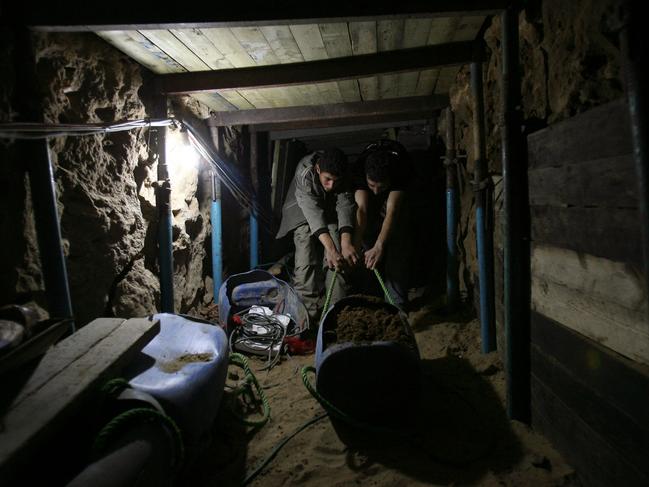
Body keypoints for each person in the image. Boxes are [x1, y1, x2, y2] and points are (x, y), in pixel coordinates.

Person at [276, 148, 359, 322]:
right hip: (300, 209)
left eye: (336, 181)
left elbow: (345, 205)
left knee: (338, 250)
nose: (331, 186)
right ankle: (305, 317)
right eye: (327, 179)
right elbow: (312, 211)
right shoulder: (305, 171)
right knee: (305, 246)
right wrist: (329, 249)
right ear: (318, 169)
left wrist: (345, 242)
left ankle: (336, 313)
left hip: (328, 211)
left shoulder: (343, 174)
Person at [351, 139, 414, 308]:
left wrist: (380, 245)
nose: (376, 191)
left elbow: (392, 211)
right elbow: (362, 209)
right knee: (366, 243)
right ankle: (370, 298)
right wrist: (356, 242)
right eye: (372, 185)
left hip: (396, 198)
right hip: (368, 203)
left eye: (381, 186)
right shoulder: (359, 169)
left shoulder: (401, 170)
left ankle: (397, 302)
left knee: (397, 240)